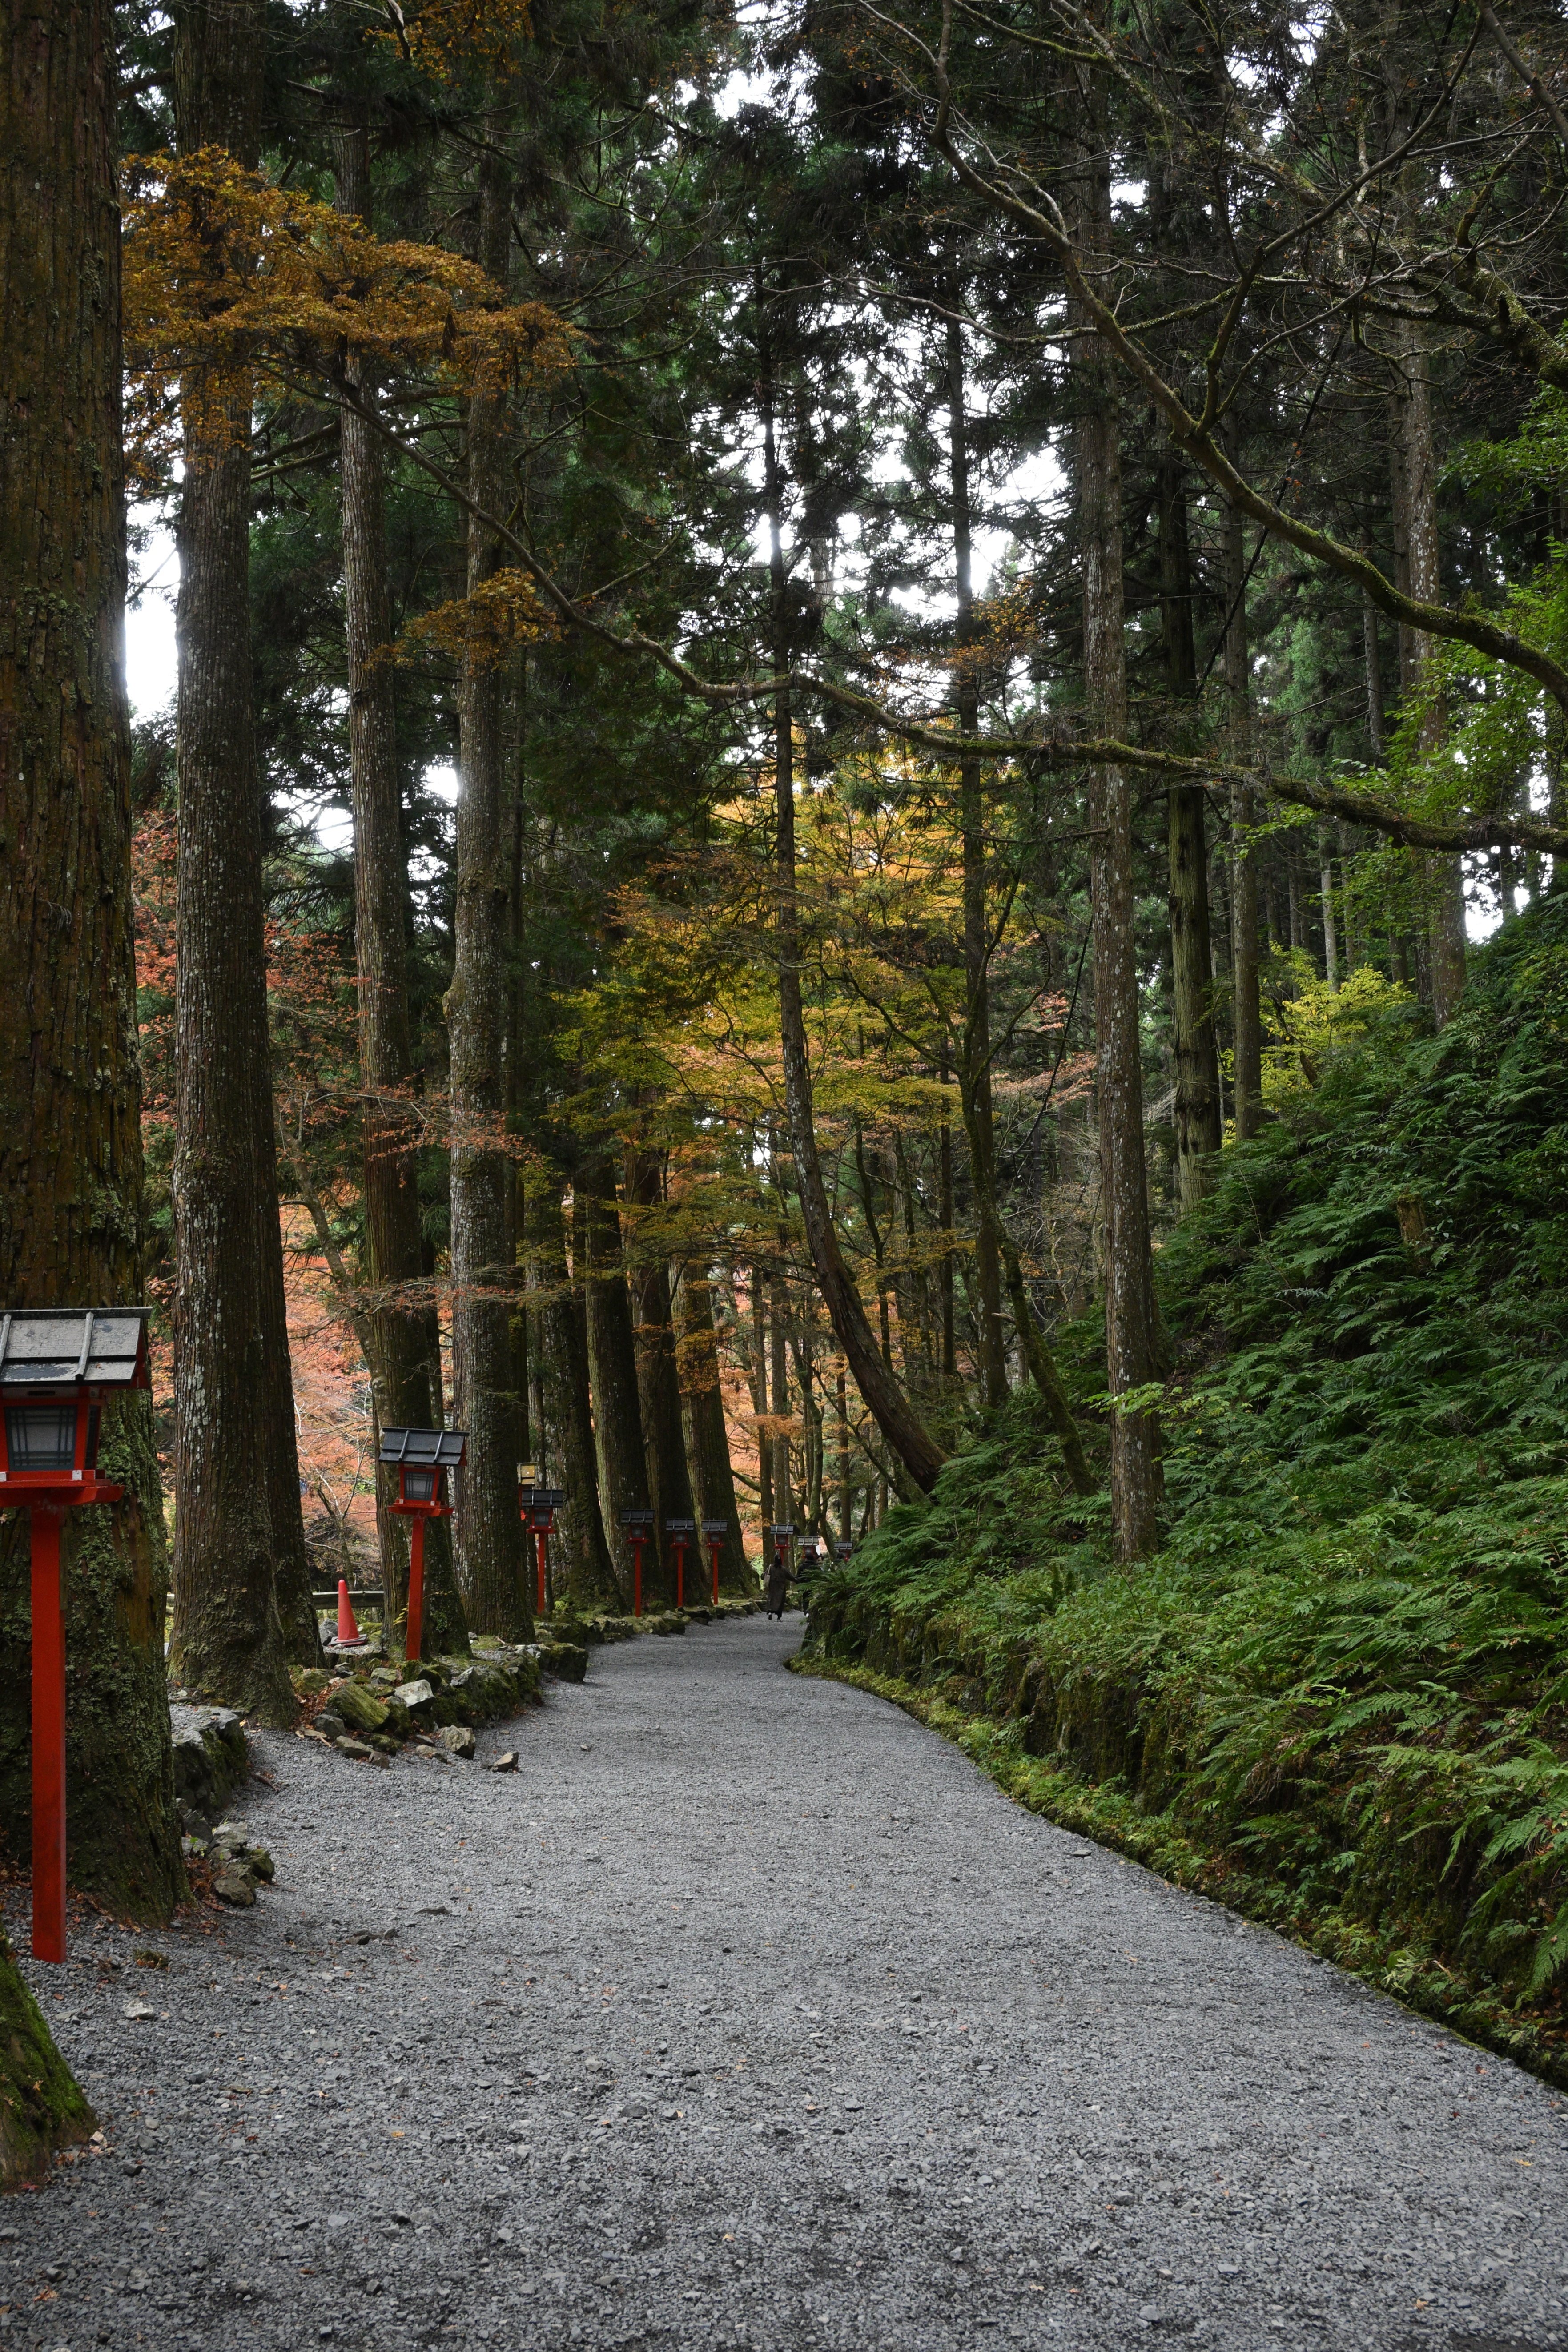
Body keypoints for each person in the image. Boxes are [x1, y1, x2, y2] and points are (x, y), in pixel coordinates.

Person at [765, 1545, 790, 1619]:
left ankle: (770, 1612)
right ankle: (779, 1617)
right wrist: (797, 1580)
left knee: (772, 1599)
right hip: (781, 1587)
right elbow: (790, 1576)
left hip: (772, 1586)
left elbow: (764, 1575)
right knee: (780, 1601)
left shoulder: (771, 1568)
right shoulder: (783, 1569)